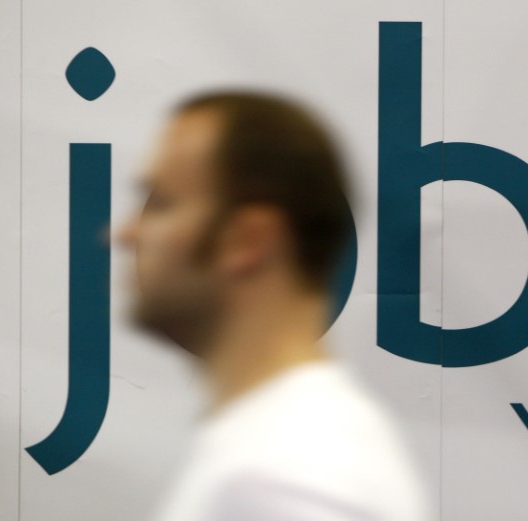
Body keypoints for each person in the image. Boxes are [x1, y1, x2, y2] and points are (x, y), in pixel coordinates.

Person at [116, 90, 431, 521]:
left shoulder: (289, 475)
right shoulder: (279, 448)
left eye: (162, 203)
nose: (125, 234)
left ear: (249, 240)